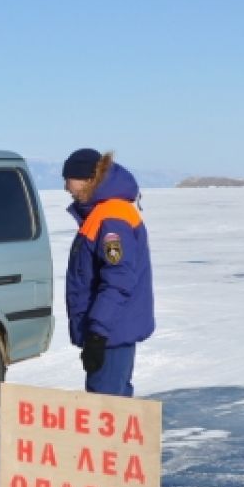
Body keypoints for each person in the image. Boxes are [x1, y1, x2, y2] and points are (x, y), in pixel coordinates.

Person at [63, 148, 154, 396]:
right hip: (111, 330)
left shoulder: (112, 218)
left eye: (68, 179)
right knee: (115, 406)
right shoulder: (103, 213)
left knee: (105, 406)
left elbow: (118, 279)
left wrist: (98, 334)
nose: (65, 187)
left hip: (111, 333)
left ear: (87, 179)